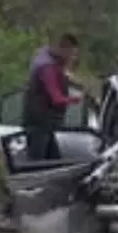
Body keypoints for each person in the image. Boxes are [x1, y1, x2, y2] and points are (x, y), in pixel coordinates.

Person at [22, 33, 82, 161]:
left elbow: (61, 73)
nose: (72, 58)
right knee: (37, 162)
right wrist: (75, 99)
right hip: (40, 122)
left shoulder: (46, 56)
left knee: (53, 161)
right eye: (72, 54)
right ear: (64, 50)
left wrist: (70, 79)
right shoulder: (47, 67)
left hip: (45, 123)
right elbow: (57, 98)